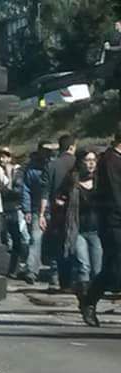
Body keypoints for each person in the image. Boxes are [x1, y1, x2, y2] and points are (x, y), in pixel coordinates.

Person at [80, 135, 121, 327]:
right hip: (114, 221)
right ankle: (89, 300)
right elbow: (114, 194)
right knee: (114, 268)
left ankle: (89, 299)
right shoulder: (110, 160)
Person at [58, 149, 102, 306]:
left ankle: (92, 299)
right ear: (80, 162)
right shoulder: (72, 180)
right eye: (87, 160)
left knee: (97, 269)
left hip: (97, 229)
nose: (91, 163)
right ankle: (84, 299)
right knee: (84, 265)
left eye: (93, 160)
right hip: (77, 229)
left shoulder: (100, 181)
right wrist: (61, 203)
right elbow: (60, 196)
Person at [40, 134, 77, 290]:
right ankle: (78, 279)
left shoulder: (52, 165)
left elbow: (45, 192)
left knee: (57, 245)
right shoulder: (77, 163)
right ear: (71, 147)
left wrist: (41, 214)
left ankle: (59, 280)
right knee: (75, 244)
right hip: (76, 210)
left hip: (57, 211)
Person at [20, 141, 53, 285]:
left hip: (54, 209)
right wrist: (26, 209)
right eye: (45, 150)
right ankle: (32, 271)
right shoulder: (31, 169)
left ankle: (55, 273)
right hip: (35, 209)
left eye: (49, 150)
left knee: (54, 241)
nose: (48, 153)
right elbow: (26, 190)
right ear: (39, 150)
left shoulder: (54, 166)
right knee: (35, 239)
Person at [0, 147, 29, 279]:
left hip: (15, 209)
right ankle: (8, 267)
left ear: (11, 158)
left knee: (19, 238)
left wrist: (8, 183)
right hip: (3, 208)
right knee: (5, 238)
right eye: (1, 156)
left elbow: (17, 191)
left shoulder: (18, 172)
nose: (2, 159)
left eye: (6, 156)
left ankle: (17, 267)